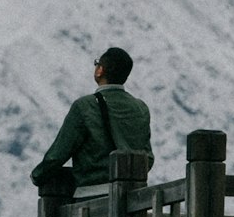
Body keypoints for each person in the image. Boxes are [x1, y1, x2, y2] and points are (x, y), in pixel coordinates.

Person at [30, 47, 153, 191]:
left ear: (100, 70)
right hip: (133, 197)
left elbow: (59, 153)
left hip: (92, 196)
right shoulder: (140, 107)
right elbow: (147, 155)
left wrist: (37, 175)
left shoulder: (85, 106)